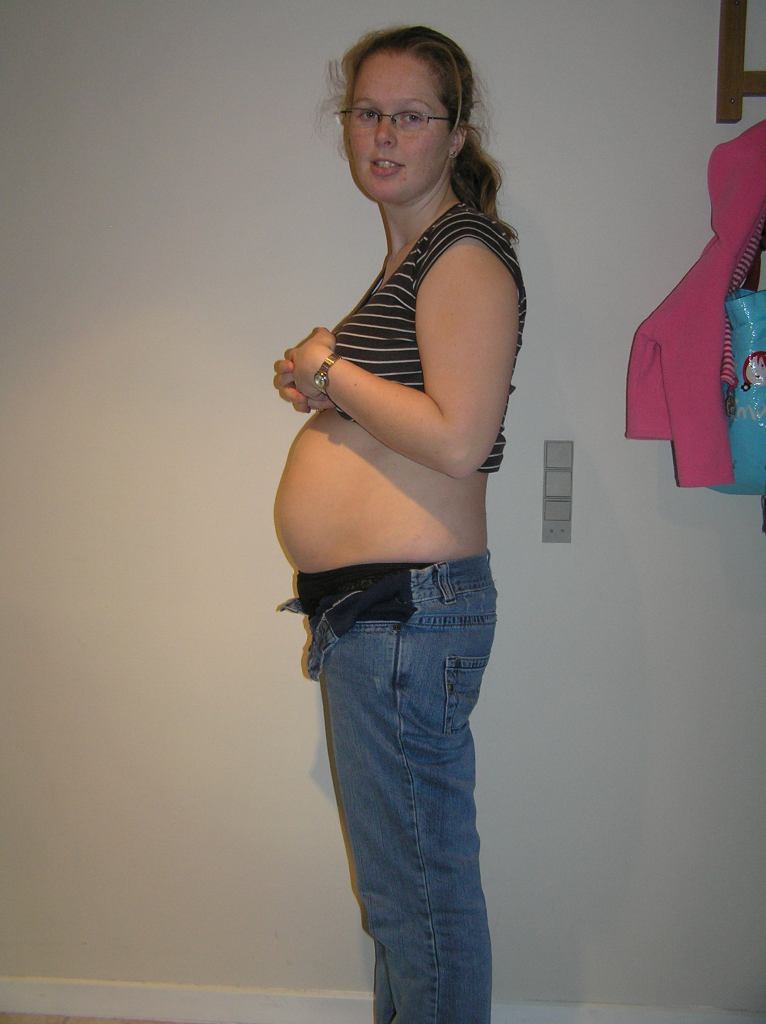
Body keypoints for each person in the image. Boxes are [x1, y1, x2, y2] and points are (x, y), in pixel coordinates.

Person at [273, 25, 525, 1024]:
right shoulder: (414, 258)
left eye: (409, 116)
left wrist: (332, 371)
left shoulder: (463, 253)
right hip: (380, 618)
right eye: (367, 113)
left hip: (403, 618)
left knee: (420, 902)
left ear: (456, 134)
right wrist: (326, 387)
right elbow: (413, 412)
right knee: (403, 902)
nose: (382, 134)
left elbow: (459, 438)